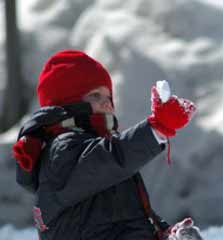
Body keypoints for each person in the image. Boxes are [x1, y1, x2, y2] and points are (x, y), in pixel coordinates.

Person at [13, 50, 196, 240]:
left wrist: (165, 234)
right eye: (95, 95)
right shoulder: (61, 151)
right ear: (68, 102)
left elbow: (130, 219)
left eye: (109, 97)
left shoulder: (102, 153)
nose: (107, 103)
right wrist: (155, 130)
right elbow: (107, 159)